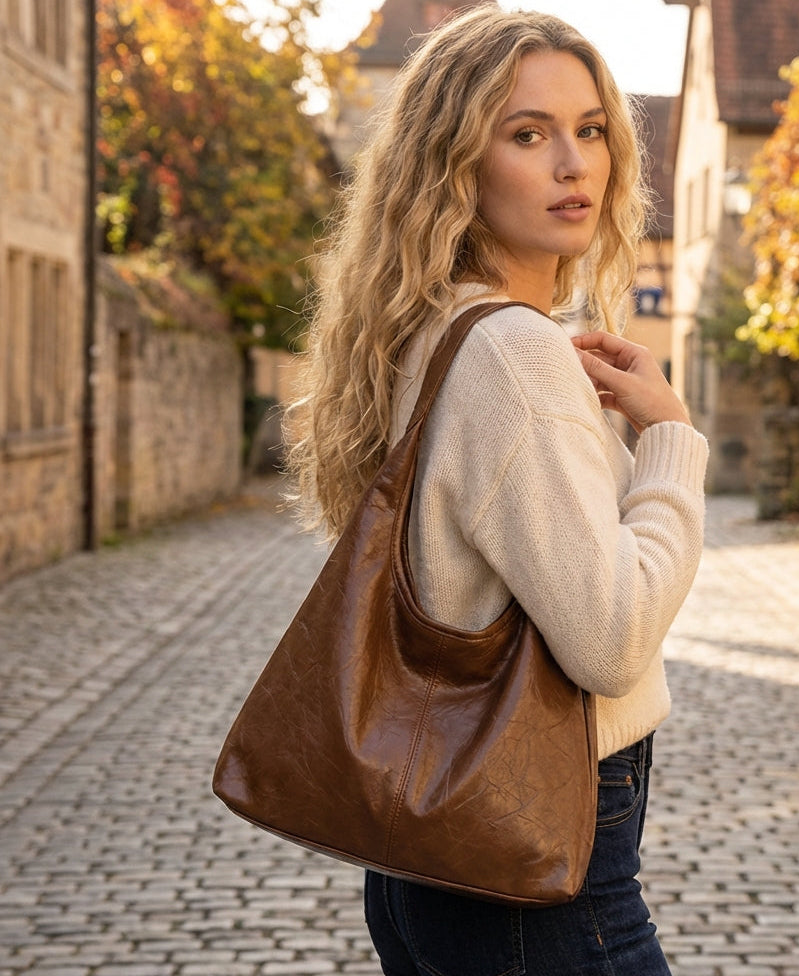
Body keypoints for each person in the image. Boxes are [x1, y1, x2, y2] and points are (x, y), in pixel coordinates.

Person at [286, 6, 708, 975]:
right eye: (527, 134)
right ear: (457, 165)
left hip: (431, 856)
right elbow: (609, 639)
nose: (574, 164)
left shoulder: (435, 331)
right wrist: (670, 442)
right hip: (534, 861)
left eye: (589, 129)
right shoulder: (512, 354)